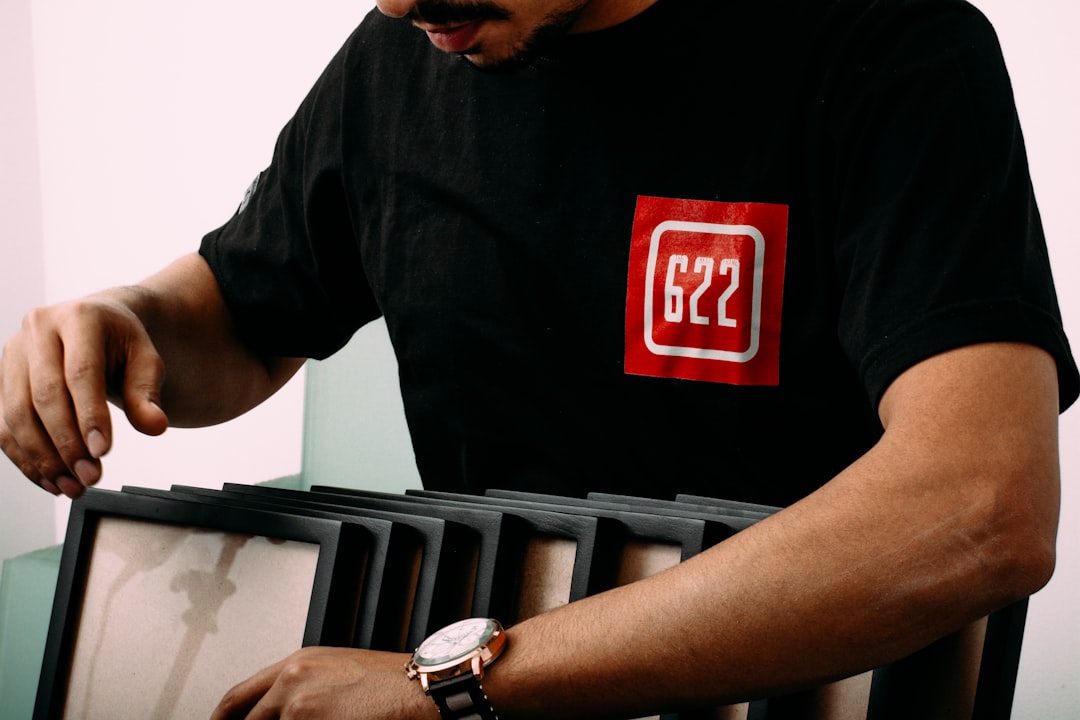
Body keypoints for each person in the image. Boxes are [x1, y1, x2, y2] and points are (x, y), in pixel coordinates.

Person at [2, 0, 1077, 717]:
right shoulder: (402, 60)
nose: (400, 2)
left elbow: (979, 508)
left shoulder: (891, 46)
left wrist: (449, 686)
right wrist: (127, 320)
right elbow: (242, 319)